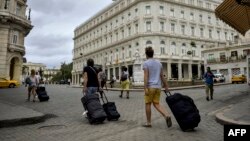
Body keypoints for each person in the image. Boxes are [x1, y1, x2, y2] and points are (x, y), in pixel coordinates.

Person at [142, 46, 172, 128]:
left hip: (150, 87)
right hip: (158, 87)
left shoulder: (146, 63)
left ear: (146, 54)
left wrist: (145, 88)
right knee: (156, 104)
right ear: (153, 54)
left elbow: (146, 76)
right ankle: (166, 115)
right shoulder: (159, 63)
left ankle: (148, 123)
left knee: (148, 104)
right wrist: (166, 86)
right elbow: (162, 76)